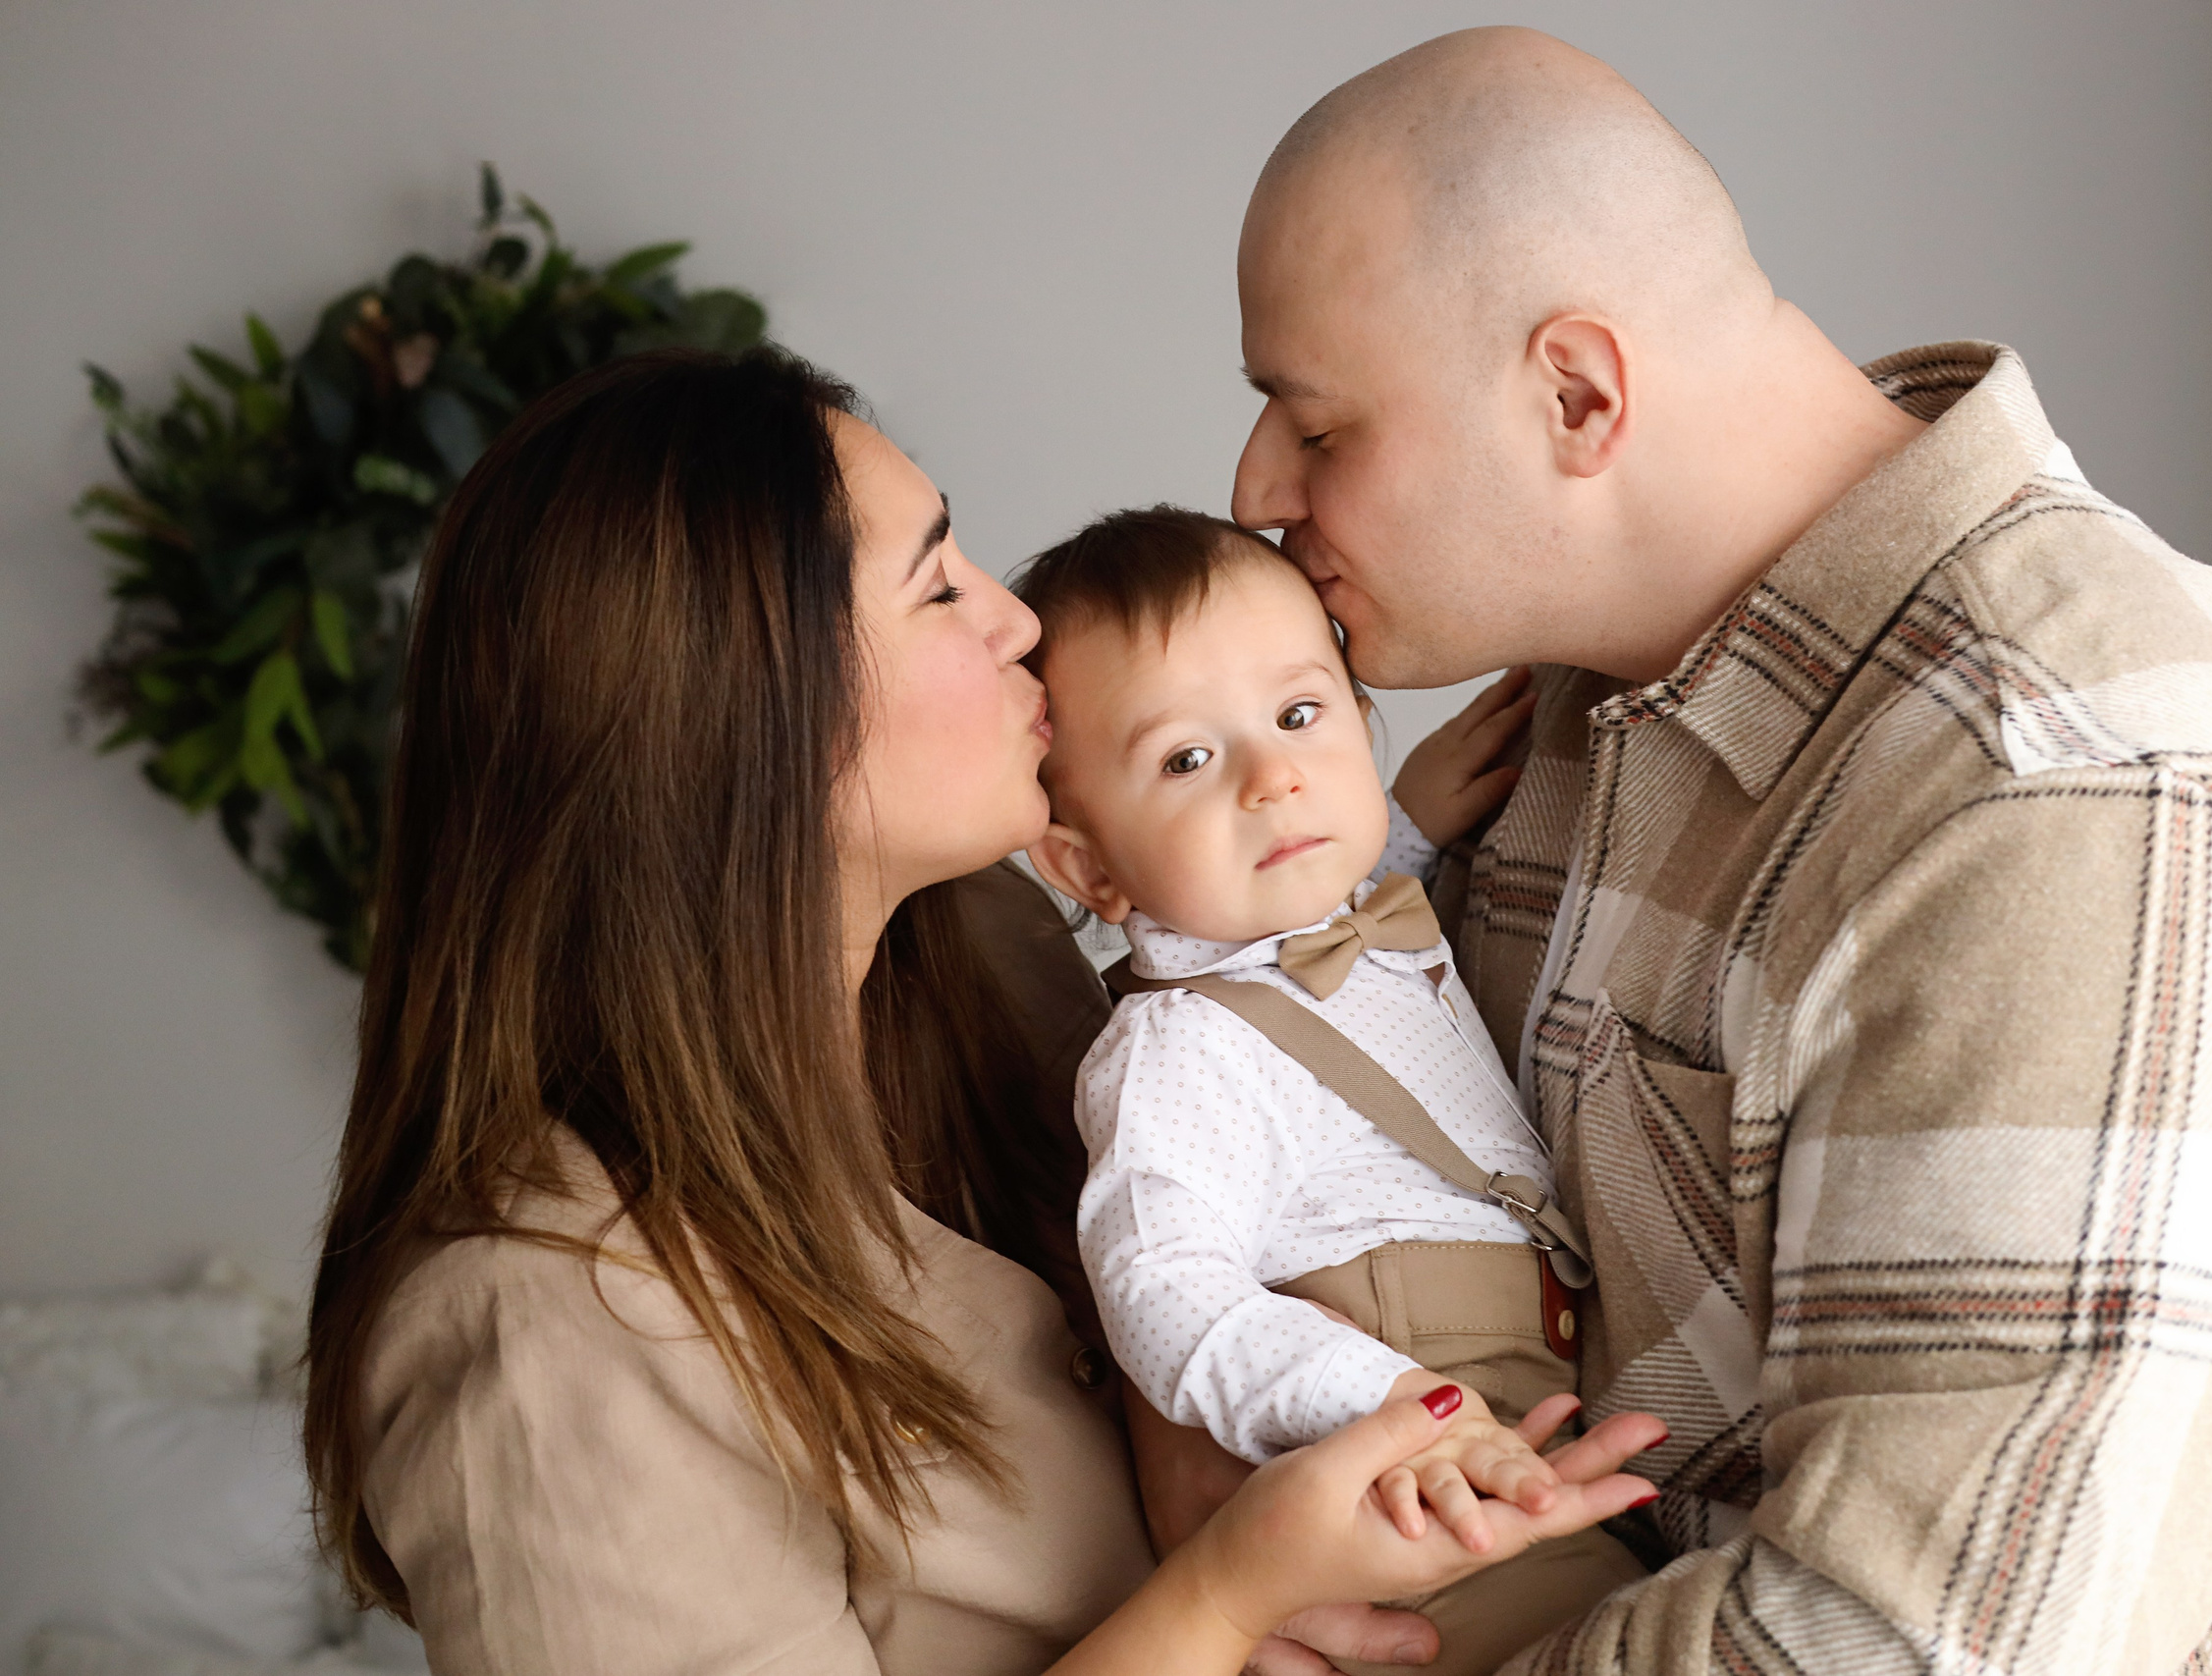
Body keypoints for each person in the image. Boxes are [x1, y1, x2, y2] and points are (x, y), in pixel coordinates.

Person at [1223, 27, 2212, 1676]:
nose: (1253, 487)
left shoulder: (2070, 804)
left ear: (1577, 393)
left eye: (1312, 425)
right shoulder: (1573, 687)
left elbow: (1914, 1645)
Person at [297, 348, 1660, 1676]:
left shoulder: (989, 952)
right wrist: (1226, 1596)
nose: (1014, 619)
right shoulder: (544, 1330)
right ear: (749, 723)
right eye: (938, 585)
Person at [1015, 507, 1644, 1675]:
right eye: (1186, 760)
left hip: (1520, 1390)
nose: (1275, 780)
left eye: (1301, 717)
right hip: (1401, 1440)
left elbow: (1315, 967)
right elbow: (1164, 1294)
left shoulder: (1343, 914)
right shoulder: (1175, 1053)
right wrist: (1389, 1399)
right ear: (1090, 866)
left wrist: (1398, 826)